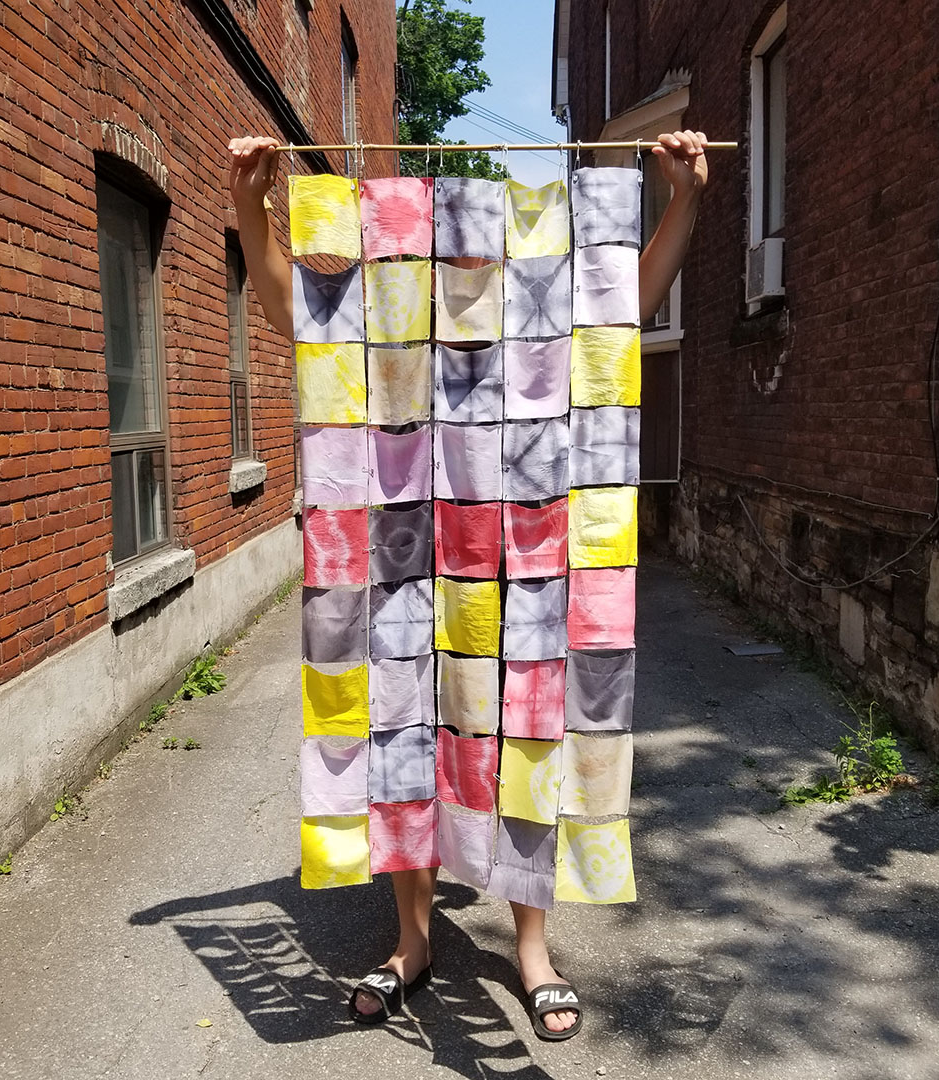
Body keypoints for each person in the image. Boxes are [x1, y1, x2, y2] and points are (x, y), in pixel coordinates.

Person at [226, 130, 709, 1040]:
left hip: (527, 553)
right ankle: (414, 939)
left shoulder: (547, 303)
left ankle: (531, 948)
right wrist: (252, 208)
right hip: (411, 547)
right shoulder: (396, 302)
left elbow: (627, 303)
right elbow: (301, 311)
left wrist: (681, 197)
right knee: (406, 725)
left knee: (529, 736)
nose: (469, 254)